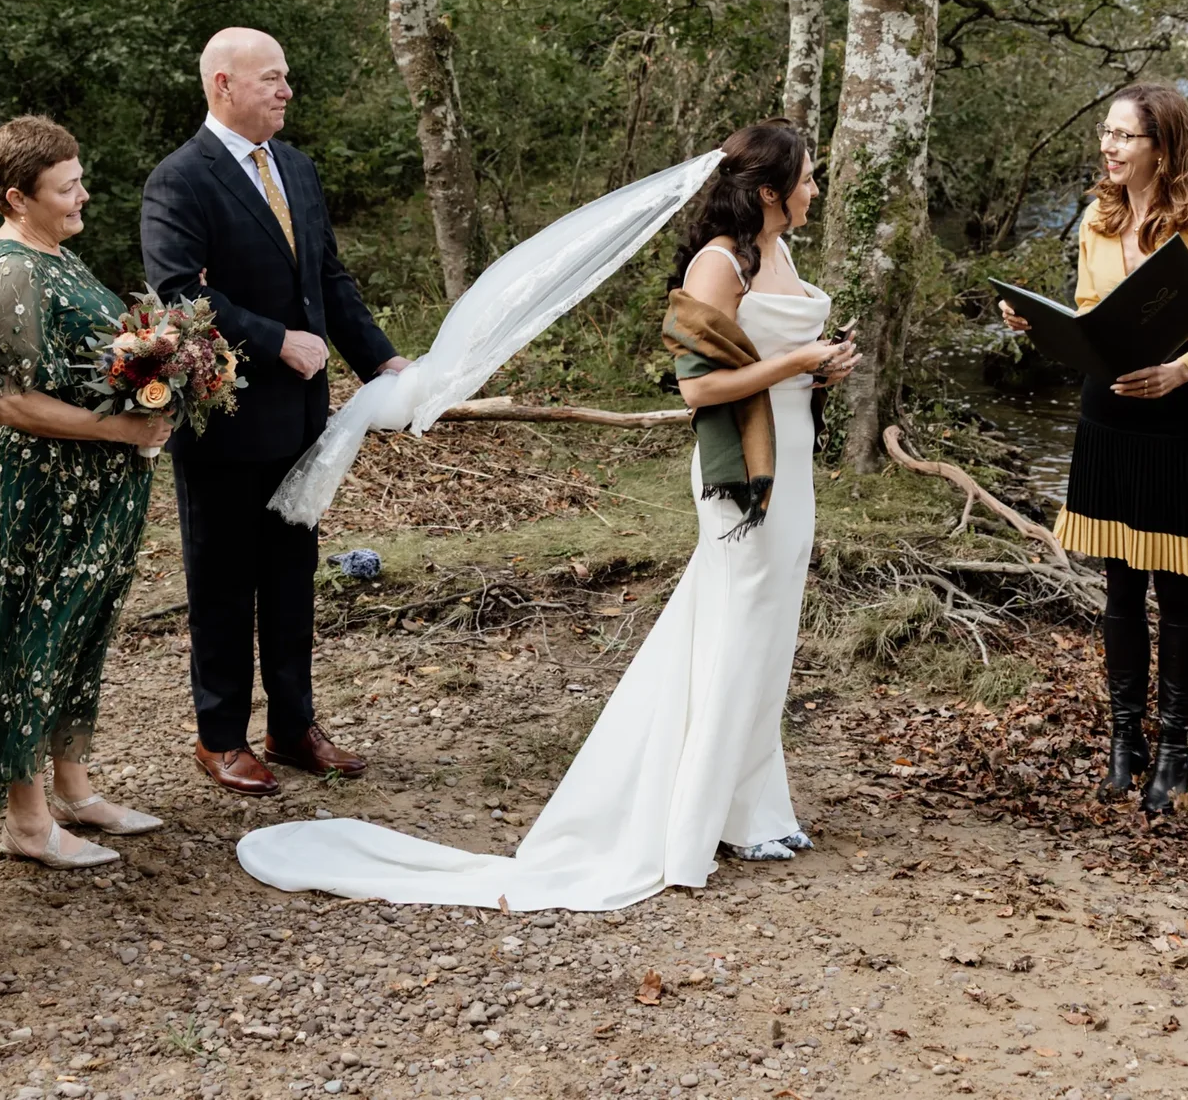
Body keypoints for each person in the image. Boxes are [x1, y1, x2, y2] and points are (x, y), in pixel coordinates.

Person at [233, 120, 859, 909]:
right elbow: (699, 387)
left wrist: (820, 368)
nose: (814, 189)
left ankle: (754, 806)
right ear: (769, 190)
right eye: (807, 178)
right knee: (737, 627)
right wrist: (798, 360)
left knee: (768, 633)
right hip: (741, 471)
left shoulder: (781, 252)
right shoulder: (718, 263)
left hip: (790, 460)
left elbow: (770, 361)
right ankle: (702, 816)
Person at [139, 28, 409, 795]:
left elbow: (329, 278)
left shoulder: (296, 167)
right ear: (223, 83)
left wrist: (382, 359)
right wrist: (274, 339)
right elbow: (179, 294)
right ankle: (219, 736)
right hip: (224, 422)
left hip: (302, 419)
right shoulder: (179, 179)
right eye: (273, 78)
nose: (287, 90)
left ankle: (292, 726)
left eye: (287, 77)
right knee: (223, 583)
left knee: (293, 577)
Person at [1000, 83, 1188, 814]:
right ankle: (1126, 742)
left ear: (1162, 146)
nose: (1109, 147)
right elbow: (1092, 314)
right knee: (1119, 585)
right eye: (1106, 133)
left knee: (1176, 590)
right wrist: (1040, 326)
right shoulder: (1097, 216)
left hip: (1178, 414)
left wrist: (1182, 368)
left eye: (1124, 136)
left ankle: (1173, 749)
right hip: (1106, 415)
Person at [0, 116, 174, 868]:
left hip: (97, 487)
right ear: (17, 197)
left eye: (79, 181)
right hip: (43, 495)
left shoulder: (55, 253)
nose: (83, 196)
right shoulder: (10, 273)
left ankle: (74, 788)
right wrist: (122, 428)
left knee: (78, 632)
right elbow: (9, 403)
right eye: (66, 187)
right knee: (31, 640)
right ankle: (27, 821)